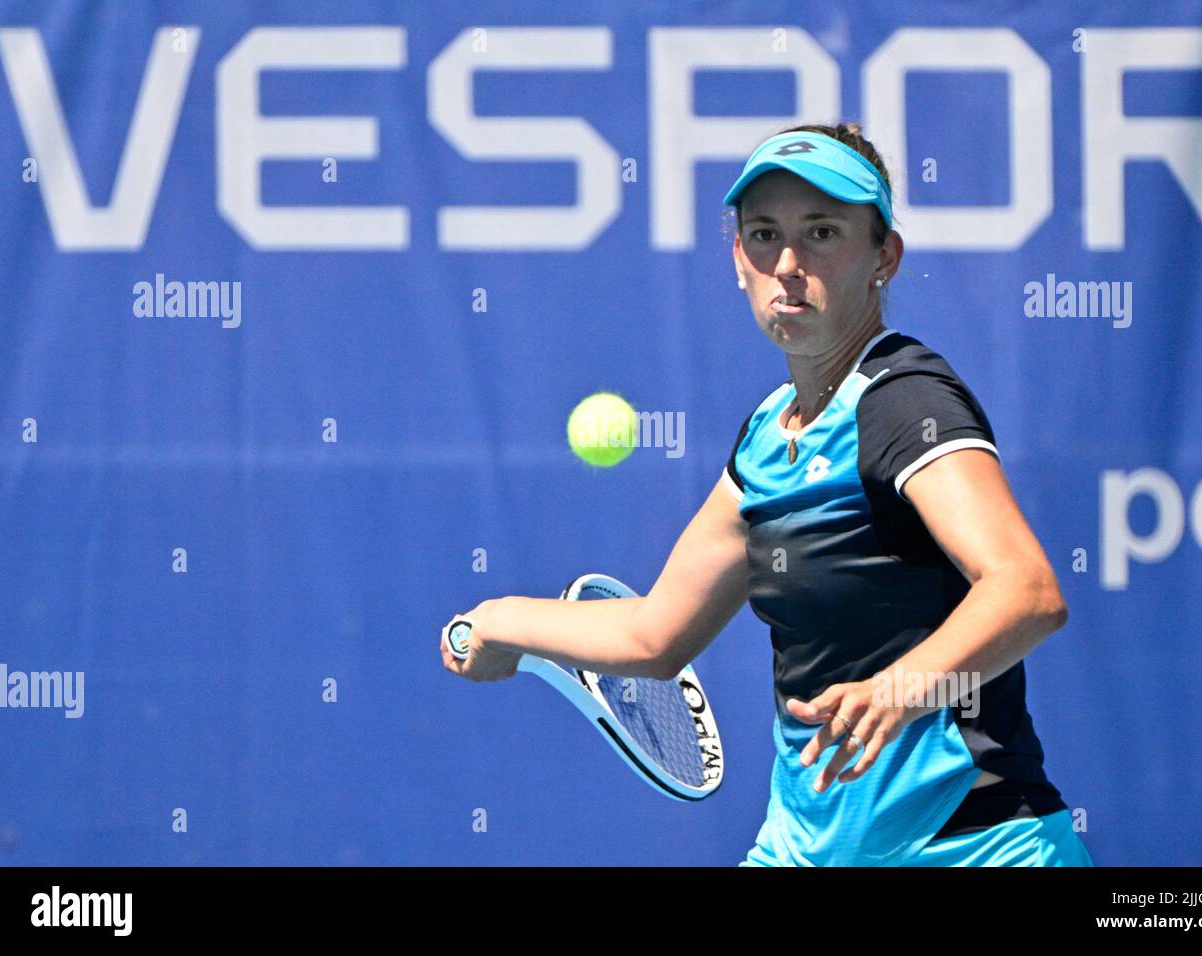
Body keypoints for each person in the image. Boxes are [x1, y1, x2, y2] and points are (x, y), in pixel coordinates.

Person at [441, 121, 1094, 867]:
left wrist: (898, 689)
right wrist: (501, 622)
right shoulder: (764, 439)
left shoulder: (903, 400)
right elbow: (656, 635)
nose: (788, 264)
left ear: (885, 257)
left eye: (822, 233)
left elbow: (1028, 590)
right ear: (738, 262)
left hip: (972, 847)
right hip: (805, 850)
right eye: (763, 235)